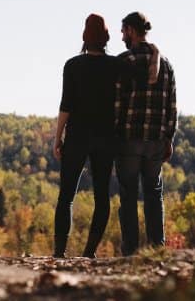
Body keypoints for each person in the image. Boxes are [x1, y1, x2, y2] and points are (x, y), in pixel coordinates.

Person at [53, 13, 159, 258]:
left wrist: (57, 138)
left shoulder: (72, 65)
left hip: (77, 136)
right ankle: (89, 252)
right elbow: (146, 77)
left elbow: (65, 105)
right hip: (105, 138)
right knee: (102, 196)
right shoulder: (116, 65)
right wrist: (155, 52)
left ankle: (59, 253)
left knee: (66, 196)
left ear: (84, 38)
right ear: (107, 38)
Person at [115, 11, 177, 256]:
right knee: (153, 194)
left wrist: (115, 135)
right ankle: (156, 249)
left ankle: (130, 251)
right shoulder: (167, 66)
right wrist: (169, 138)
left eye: (123, 31)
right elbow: (172, 106)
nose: (122, 36)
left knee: (128, 195)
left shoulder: (124, 62)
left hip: (129, 139)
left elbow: (117, 104)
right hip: (155, 141)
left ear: (131, 30)